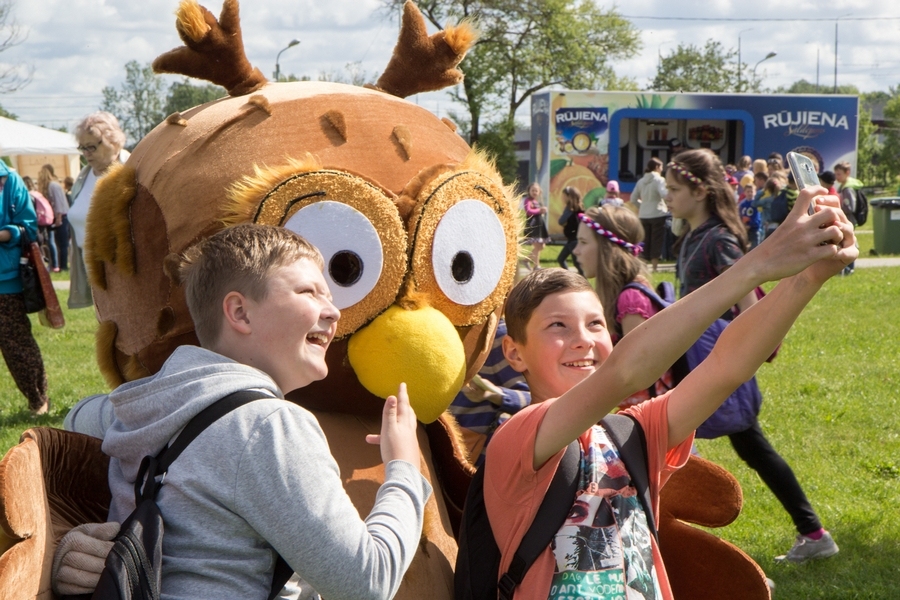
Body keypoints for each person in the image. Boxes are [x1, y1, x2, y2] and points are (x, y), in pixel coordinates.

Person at [485, 186, 854, 597]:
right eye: (558, 326)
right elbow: (625, 373)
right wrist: (759, 263)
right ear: (513, 353)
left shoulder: (630, 434)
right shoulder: (518, 437)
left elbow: (726, 367)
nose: (584, 341)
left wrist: (810, 276)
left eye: (595, 324)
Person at [52, 224, 431, 599]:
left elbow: (74, 419)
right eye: (309, 293)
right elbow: (366, 583)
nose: (333, 312)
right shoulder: (269, 425)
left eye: (329, 296)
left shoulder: (143, 407)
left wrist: (69, 543)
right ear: (240, 313)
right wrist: (405, 470)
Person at [665, 148, 841, 564]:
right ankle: (812, 532)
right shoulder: (694, 235)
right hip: (697, 360)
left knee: (680, 441)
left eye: (673, 190)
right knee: (737, 446)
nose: (667, 198)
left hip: (720, 361)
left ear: (700, 190)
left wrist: (759, 344)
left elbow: (749, 295)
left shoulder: (719, 239)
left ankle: (811, 533)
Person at [572, 205, 676, 410]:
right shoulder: (618, 294)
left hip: (651, 420)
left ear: (607, 249)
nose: (576, 250)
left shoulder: (631, 299)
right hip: (635, 415)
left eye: (583, 242)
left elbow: (637, 370)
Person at [0, 163, 50, 416]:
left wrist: (3, 234)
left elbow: (29, 228)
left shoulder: (10, 180)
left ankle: (38, 399)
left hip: (5, 279)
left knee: (15, 342)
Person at [68, 111, 128, 308]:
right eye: (82, 148)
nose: (86, 154)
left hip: (127, 271)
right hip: (94, 273)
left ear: (114, 142)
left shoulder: (133, 171)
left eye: (91, 147)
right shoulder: (82, 179)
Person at [631, 157, 669, 272]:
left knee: (645, 241)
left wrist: (641, 206)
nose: (662, 169)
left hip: (644, 215)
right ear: (657, 167)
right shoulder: (659, 180)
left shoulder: (641, 181)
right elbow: (663, 194)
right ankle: (654, 267)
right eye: (661, 167)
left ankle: (644, 267)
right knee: (656, 241)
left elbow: (633, 199)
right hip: (658, 213)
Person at [38, 164, 69, 272]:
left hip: (61, 217)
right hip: (56, 217)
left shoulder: (53, 185)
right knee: (57, 243)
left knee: (61, 244)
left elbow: (59, 203)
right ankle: (58, 265)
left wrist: (59, 217)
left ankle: (63, 266)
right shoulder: (52, 185)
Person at [834, 161, 861, 275]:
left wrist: (839, 207)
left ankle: (849, 268)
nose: (837, 177)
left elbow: (851, 207)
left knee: (849, 243)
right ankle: (847, 268)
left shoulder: (848, 188)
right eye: (836, 174)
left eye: (839, 174)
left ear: (847, 173)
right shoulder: (844, 186)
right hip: (847, 220)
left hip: (848, 220)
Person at [22, 176, 56, 264]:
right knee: (45, 244)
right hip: (43, 222)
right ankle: (49, 262)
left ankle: (42, 262)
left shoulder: (28, 196)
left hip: (35, 224)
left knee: (37, 246)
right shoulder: (37, 194)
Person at [556, 186, 584, 275]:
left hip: (574, 240)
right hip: (571, 240)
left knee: (577, 264)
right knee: (561, 259)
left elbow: (561, 221)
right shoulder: (578, 209)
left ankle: (583, 281)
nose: (563, 198)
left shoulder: (570, 209)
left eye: (564, 196)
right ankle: (570, 277)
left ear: (569, 197)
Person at [523, 182, 550, 271]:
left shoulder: (536, 201)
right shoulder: (527, 200)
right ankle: (536, 266)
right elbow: (528, 211)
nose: (534, 192)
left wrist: (542, 210)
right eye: (533, 190)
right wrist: (539, 210)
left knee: (541, 246)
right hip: (533, 226)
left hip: (539, 227)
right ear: (529, 191)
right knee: (537, 246)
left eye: (536, 191)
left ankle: (526, 260)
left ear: (539, 192)